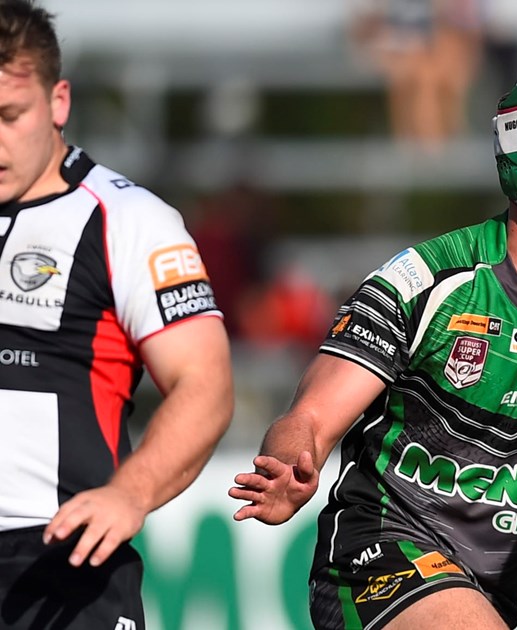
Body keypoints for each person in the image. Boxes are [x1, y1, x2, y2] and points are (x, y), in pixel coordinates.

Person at [228, 67, 517, 629]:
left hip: (490, 592)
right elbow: (310, 417)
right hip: (374, 559)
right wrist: (290, 464)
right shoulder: (428, 280)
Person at [0, 2, 234, 628]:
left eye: (10, 116)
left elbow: (205, 384)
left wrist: (130, 493)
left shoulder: (129, 221)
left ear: (58, 102)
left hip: (58, 559)